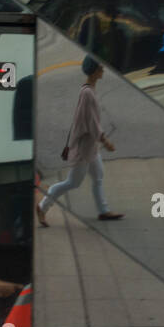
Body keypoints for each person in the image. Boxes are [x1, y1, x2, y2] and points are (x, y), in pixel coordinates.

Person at [38, 56, 123, 225]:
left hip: (90, 148)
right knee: (72, 183)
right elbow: (91, 122)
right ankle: (42, 206)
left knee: (98, 177)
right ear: (94, 71)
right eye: (100, 67)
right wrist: (105, 141)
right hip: (84, 149)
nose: (103, 70)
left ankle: (104, 211)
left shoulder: (90, 90)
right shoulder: (87, 93)